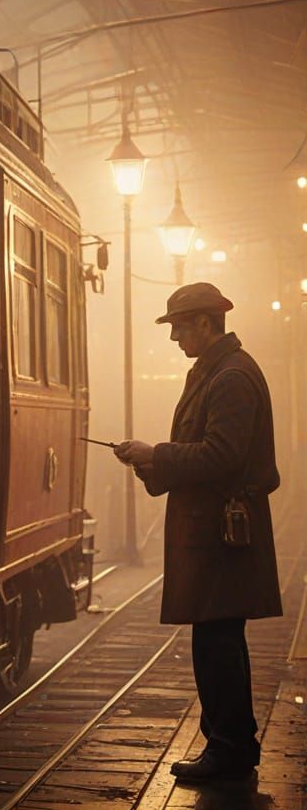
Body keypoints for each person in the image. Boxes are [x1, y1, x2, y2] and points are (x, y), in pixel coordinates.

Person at [112, 282, 282, 783]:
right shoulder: (220, 371)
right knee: (219, 639)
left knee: (217, 643)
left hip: (221, 536)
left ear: (205, 323)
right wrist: (152, 462)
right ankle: (230, 744)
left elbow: (221, 455)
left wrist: (157, 454)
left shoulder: (230, 377)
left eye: (180, 327)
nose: (174, 338)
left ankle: (228, 751)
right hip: (215, 533)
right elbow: (208, 451)